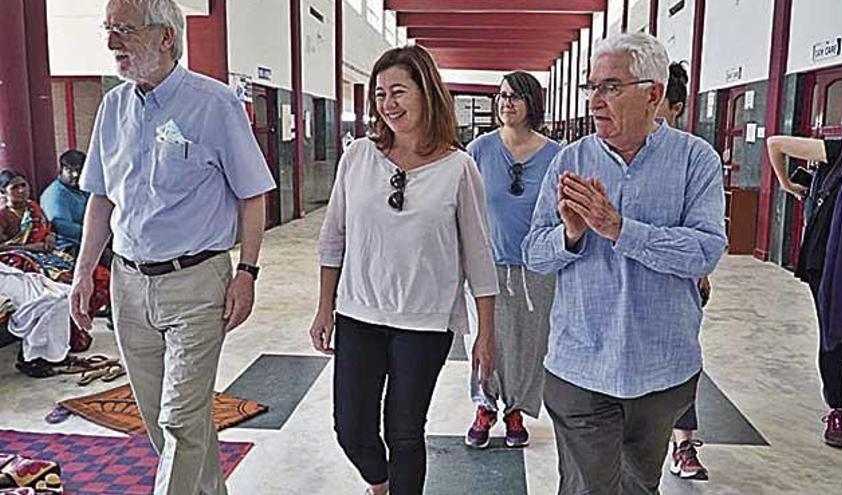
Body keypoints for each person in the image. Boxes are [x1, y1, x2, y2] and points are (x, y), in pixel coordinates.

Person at [69, 1, 276, 494]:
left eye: (124, 30)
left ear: (165, 37)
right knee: (166, 423)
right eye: (108, 30)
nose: (112, 42)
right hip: (128, 286)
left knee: (181, 419)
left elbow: (253, 195)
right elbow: (100, 197)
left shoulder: (215, 104)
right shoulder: (113, 107)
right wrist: (81, 273)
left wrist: (247, 272)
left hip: (197, 284)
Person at [522, 33, 726, 495]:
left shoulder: (695, 161)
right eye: (591, 87)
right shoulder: (570, 161)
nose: (595, 101)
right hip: (581, 366)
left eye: (611, 87)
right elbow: (535, 253)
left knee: (640, 486)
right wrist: (571, 234)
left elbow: (705, 250)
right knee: (587, 489)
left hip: (662, 370)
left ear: (653, 94)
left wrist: (620, 230)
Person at [309, 44, 498, 495]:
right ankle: (380, 484)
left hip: (425, 324)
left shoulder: (458, 168)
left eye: (398, 91)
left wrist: (485, 333)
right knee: (351, 429)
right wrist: (324, 308)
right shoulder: (357, 158)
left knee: (406, 432)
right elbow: (333, 236)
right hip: (359, 316)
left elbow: (479, 257)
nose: (388, 104)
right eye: (379, 94)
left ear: (426, 92)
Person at [766, 102, 842, 449]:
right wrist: (786, 183)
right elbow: (775, 143)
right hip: (831, 260)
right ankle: (837, 411)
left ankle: (832, 365)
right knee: (833, 331)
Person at [463, 71, 560, 449]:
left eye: (515, 96)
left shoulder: (555, 154)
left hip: (536, 267)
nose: (506, 102)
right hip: (487, 264)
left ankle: (516, 409)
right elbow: (464, 206)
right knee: (486, 340)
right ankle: (484, 406)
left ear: (532, 103)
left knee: (528, 343)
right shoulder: (480, 149)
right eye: (502, 96)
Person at [654, 61, 710, 480]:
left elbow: (704, 237)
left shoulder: (693, 158)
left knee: (680, 357)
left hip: (678, 280)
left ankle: (684, 442)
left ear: (672, 107)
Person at [40, 150, 89, 255]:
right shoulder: (55, 193)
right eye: (70, 170)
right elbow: (62, 227)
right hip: (67, 246)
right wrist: (96, 233)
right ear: (60, 170)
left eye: (80, 171)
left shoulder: (83, 189)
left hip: (87, 240)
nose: (76, 175)